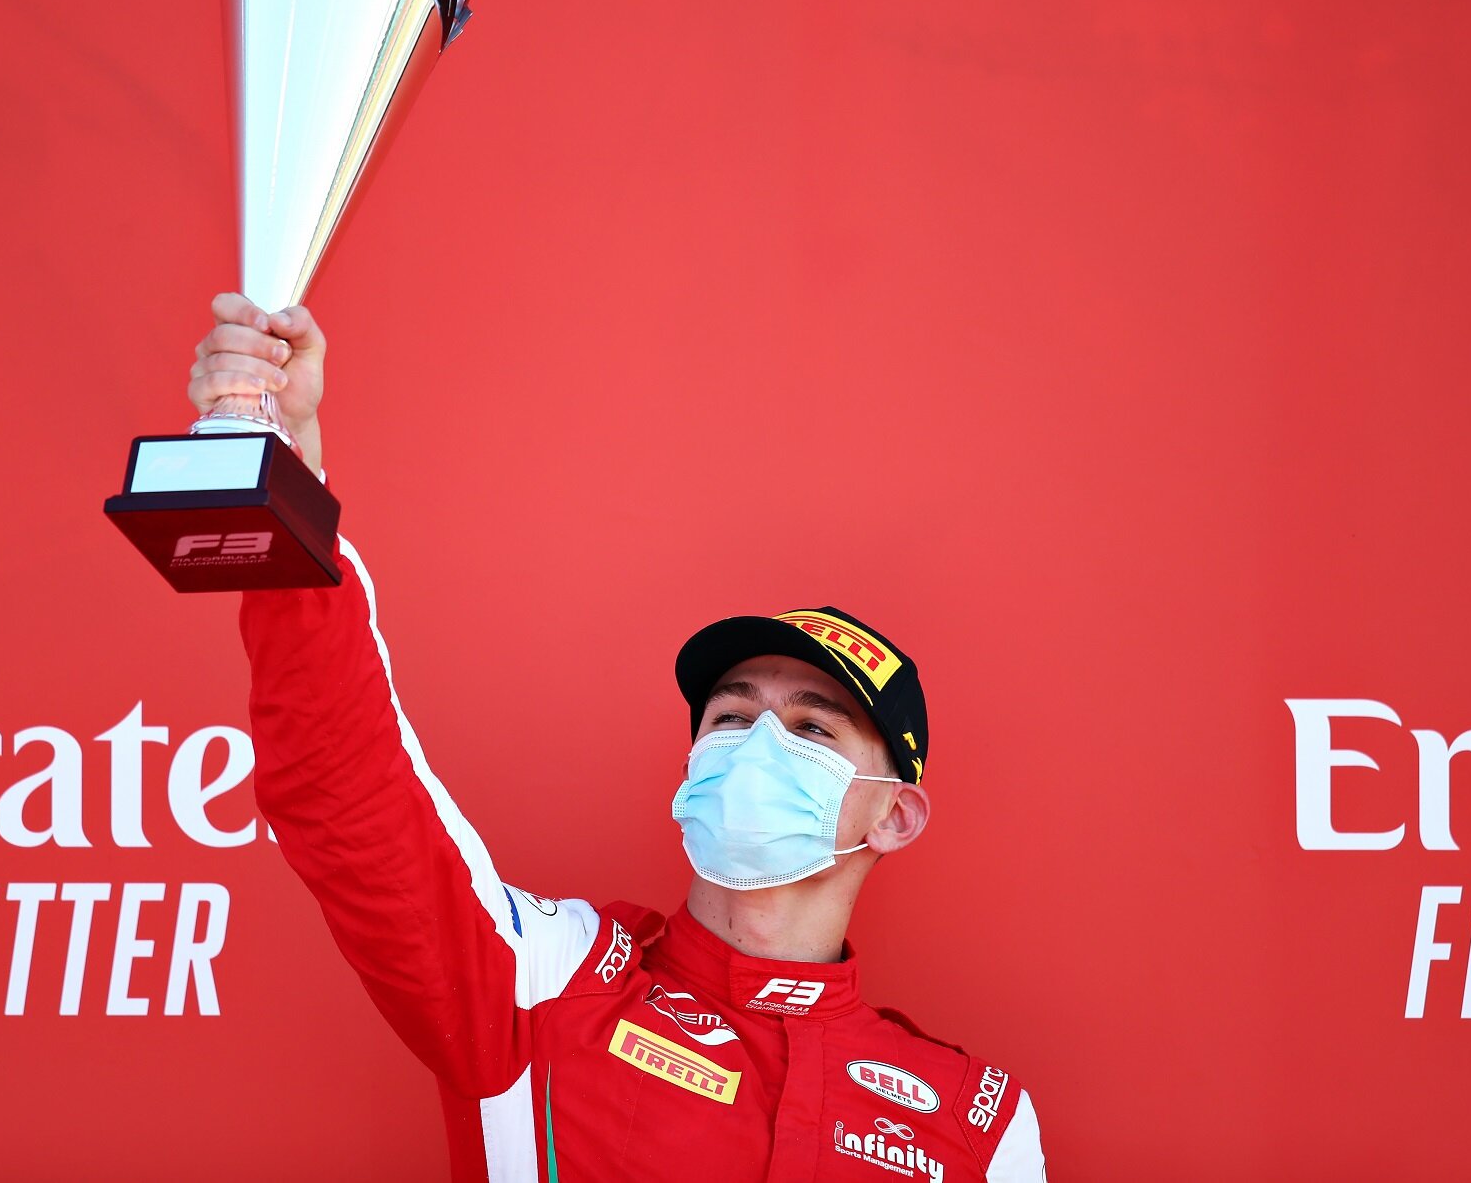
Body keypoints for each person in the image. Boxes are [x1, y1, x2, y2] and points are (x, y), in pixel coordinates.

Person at [192, 293, 1048, 1182]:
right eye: (731, 715)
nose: (758, 743)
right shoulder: (553, 979)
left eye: (811, 727)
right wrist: (283, 485)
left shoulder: (977, 1124)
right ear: (690, 771)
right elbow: (348, 795)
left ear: (894, 814)